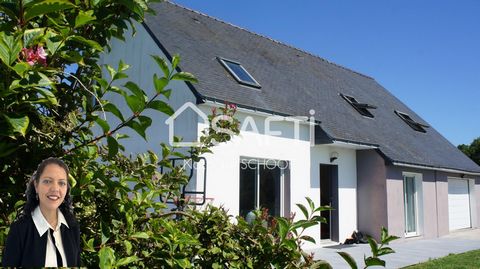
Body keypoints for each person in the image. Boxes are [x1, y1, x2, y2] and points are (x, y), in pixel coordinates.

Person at [2, 157, 81, 267]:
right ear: (36, 185)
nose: (55, 189)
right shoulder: (19, 230)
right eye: (47, 181)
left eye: (61, 183)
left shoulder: (72, 228)